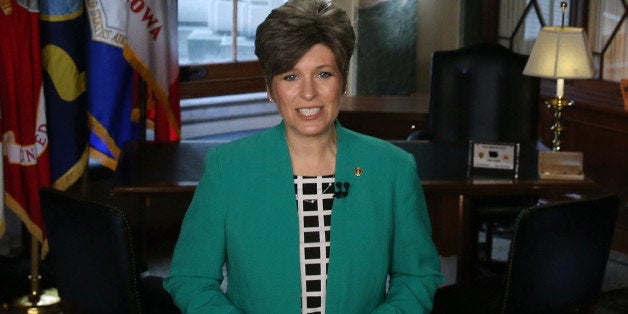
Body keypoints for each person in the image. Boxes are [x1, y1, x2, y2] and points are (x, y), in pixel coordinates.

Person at [163, 0, 443, 312]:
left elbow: (417, 275)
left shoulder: (393, 169)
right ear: (271, 87)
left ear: (343, 81)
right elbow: (191, 278)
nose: (308, 93)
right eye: (291, 76)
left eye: (323, 74)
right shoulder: (226, 168)